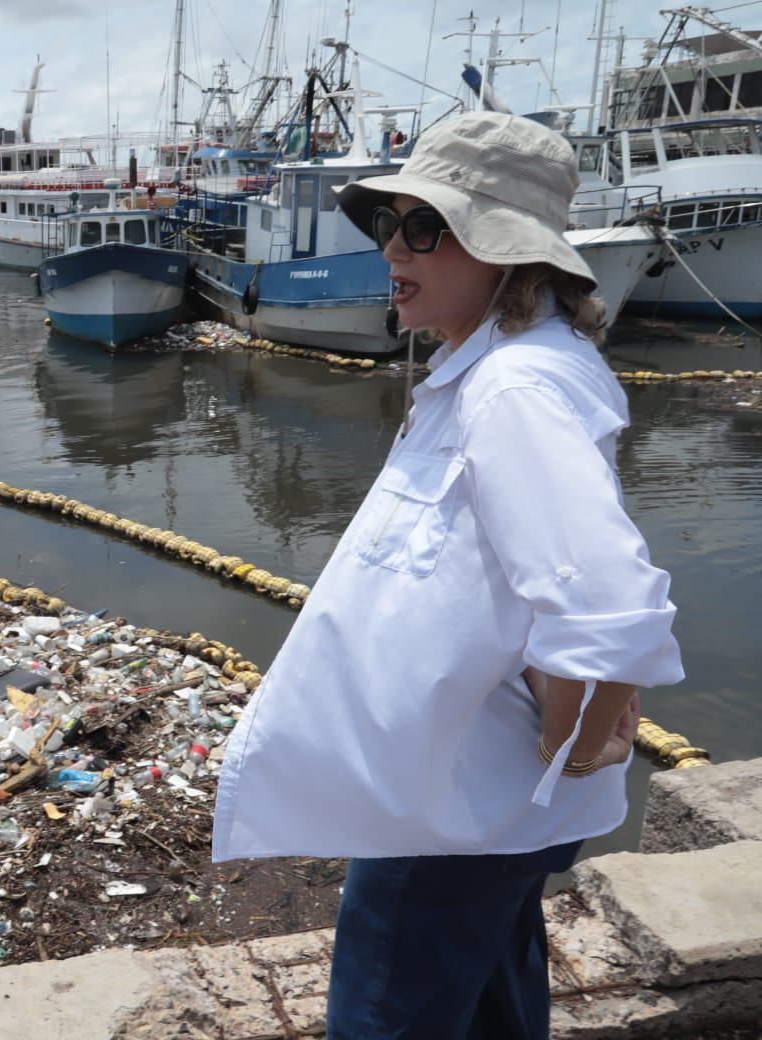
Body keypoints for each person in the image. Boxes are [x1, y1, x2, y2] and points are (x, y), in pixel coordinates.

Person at [210, 112, 683, 1038]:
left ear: (505, 252)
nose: (394, 244)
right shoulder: (495, 367)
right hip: (471, 798)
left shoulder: (515, 390)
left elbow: (614, 606)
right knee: (494, 996)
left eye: (425, 226)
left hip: (456, 804)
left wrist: (575, 753)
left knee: (387, 1014)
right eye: (390, 221)